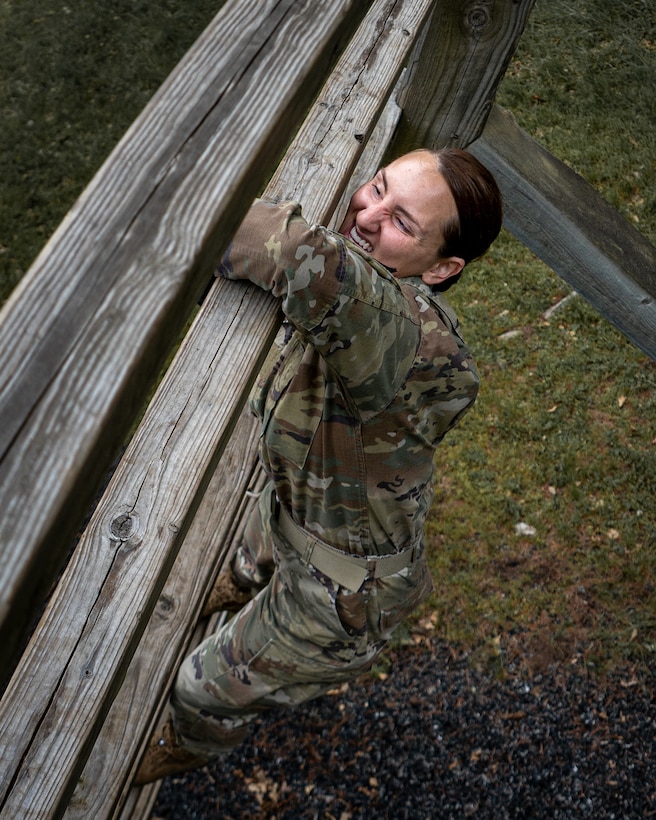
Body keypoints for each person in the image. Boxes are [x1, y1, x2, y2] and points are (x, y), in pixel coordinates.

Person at [135, 147, 502, 784]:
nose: (366, 212)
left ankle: (191, 743)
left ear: (442, 269)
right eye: (378, 186)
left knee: (200, 687)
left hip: (341, 596)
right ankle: (248, 574)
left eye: (402, 223)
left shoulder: (404, 336)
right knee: (261, 525)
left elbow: (254, 234)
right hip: (308, 510)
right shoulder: (367, 311)